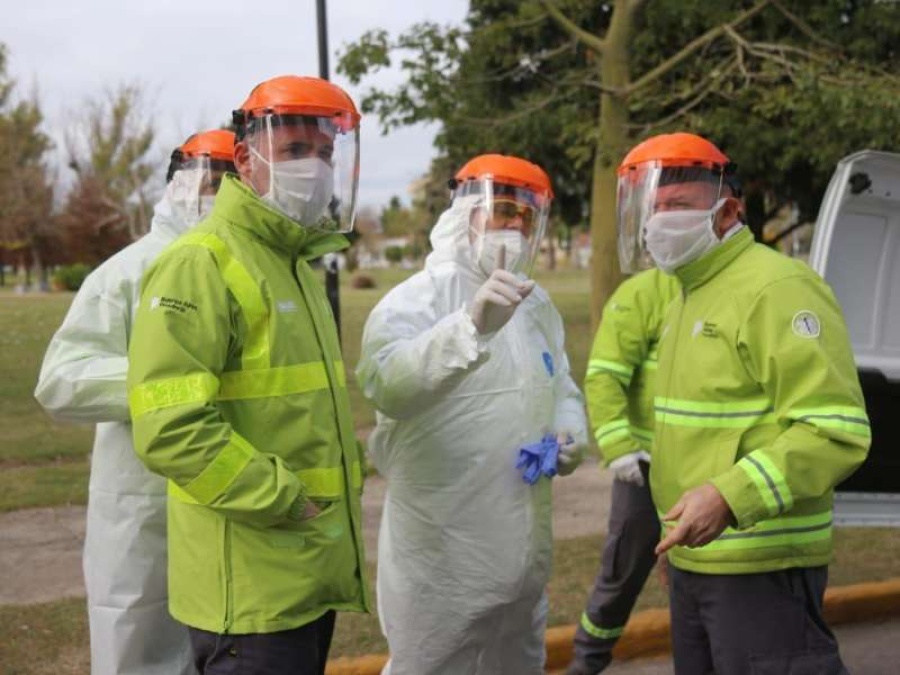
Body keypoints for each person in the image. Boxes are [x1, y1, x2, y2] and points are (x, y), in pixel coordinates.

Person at [125, 76, 368, 675]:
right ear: (245, 159)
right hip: (249, 589)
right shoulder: (199, 262)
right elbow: (169, 427)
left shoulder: (293, 265)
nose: (314, 167)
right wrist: (285, 498)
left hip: (303, 573)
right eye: (293, 151)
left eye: (325, 153)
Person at [618, 132, 871, 674]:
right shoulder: (689, 292)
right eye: (653, 208)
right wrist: (676, 540)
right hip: (696, 560)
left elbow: (834, 431)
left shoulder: (775, 287)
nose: (659, 222)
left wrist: (729, 499)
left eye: (678, 207)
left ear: (727, 210)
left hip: (762, 564)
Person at [357, 153, 588, 675]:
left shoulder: (537, 304)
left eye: (526, 219)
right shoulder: (415, 300)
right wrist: (470, 326)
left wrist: (571, 430)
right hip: (440, 565)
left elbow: (562, 383)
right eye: (503, 212)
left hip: (522, 563)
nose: (514, 229)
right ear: (466, 213)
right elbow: (386, 384)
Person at [34, 128, 236, 675]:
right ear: (176, 185)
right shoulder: (126, 274)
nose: (220, 196)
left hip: (238, 497)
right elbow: (62, 381)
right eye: (210, 182)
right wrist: (170, 383)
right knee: (141, 650)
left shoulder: (253, 275)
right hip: (145, 505)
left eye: (234, 182)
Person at [565, 265, 679, 675]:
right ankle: (585, 663)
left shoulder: (736, 287)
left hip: (711, 473)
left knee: (699, 586)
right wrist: (618, 446)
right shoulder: (644, 293)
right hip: (644, 471)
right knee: (620, 577)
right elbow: (605, 376)